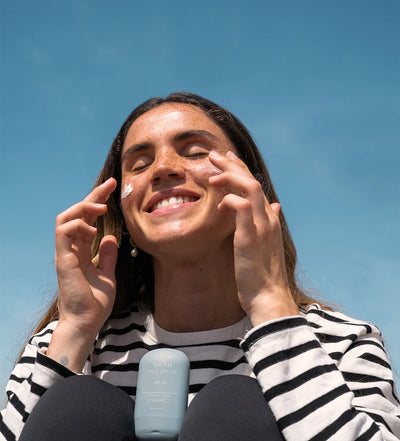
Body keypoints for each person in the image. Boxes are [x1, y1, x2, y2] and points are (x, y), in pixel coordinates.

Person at [1, 92, 399, 441]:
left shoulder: (341, 343)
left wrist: (270, 304)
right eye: (138, 165)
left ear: (251, 187)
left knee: (237, 405)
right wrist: (75, 330)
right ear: (120, 213)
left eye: (194, 152)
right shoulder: (67, 343)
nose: (163, 168)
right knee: (78, 405)